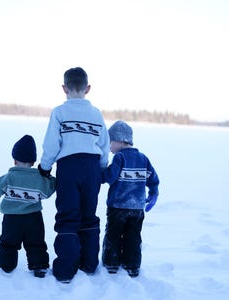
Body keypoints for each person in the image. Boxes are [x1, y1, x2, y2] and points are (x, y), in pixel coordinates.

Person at [38, 67, 110, 283]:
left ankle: (65, 269)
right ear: (87, 88)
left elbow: (52, 142)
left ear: (64, 88)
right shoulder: (96, 113)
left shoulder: (59, 112)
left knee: (68, 215)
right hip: (91, 168)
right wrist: (103, 167)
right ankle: (88, 264)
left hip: (68, 168)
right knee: (88, 214)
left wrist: (45, 167)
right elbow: (104, 144)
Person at [0, 135, 56, 278]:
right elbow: (48, 190)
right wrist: (49, 177)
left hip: (11, 219)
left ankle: (6, 264)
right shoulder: (38, 179)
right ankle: (39, 266)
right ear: (33, 162)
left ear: (15, 160)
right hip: (34, 218)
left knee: (8, 243)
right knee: (36, 243)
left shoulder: (9, 177)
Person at [101, 120, 159, 277]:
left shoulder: (119, 158)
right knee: (133, 237)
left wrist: (100, 172)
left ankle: (111, 263)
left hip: (118, 207)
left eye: (110, 142)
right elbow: (152, 178)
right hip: (137, 209)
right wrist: (153, 192)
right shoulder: (143, 158)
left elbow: (110, 177)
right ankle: (132, 266)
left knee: (113, 235)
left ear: (120, 140)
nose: (109, 147)